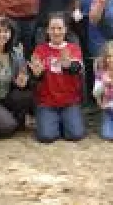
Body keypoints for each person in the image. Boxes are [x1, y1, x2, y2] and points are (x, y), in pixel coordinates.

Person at [28, 13, 85, 143]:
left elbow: (77, 68)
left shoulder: (73, 48)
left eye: (59, 28)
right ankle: (53, 121)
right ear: (47, 30)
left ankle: (63, 120)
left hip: (69, 102)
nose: (56, 32)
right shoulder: (40, 49)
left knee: (75, 135)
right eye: (52, 28)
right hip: (47, 103)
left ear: (65, 30)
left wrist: (68, 65)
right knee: (46, 137)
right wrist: (37, 74)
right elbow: (35, 76)